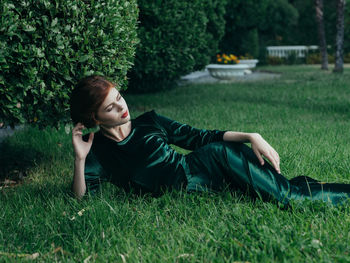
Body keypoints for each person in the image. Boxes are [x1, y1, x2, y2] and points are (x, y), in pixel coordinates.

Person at [70, 75, 350, 206]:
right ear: (94, 118)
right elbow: (82, 199)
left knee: (287, 198)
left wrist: (252, 135)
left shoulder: (150, 121)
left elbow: (199, 137)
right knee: (279, 190)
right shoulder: (99, 153)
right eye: (111, 107)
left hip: (213, 160)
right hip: (204, 186)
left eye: (119, 97)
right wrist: (79, 159)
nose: (122, 107)